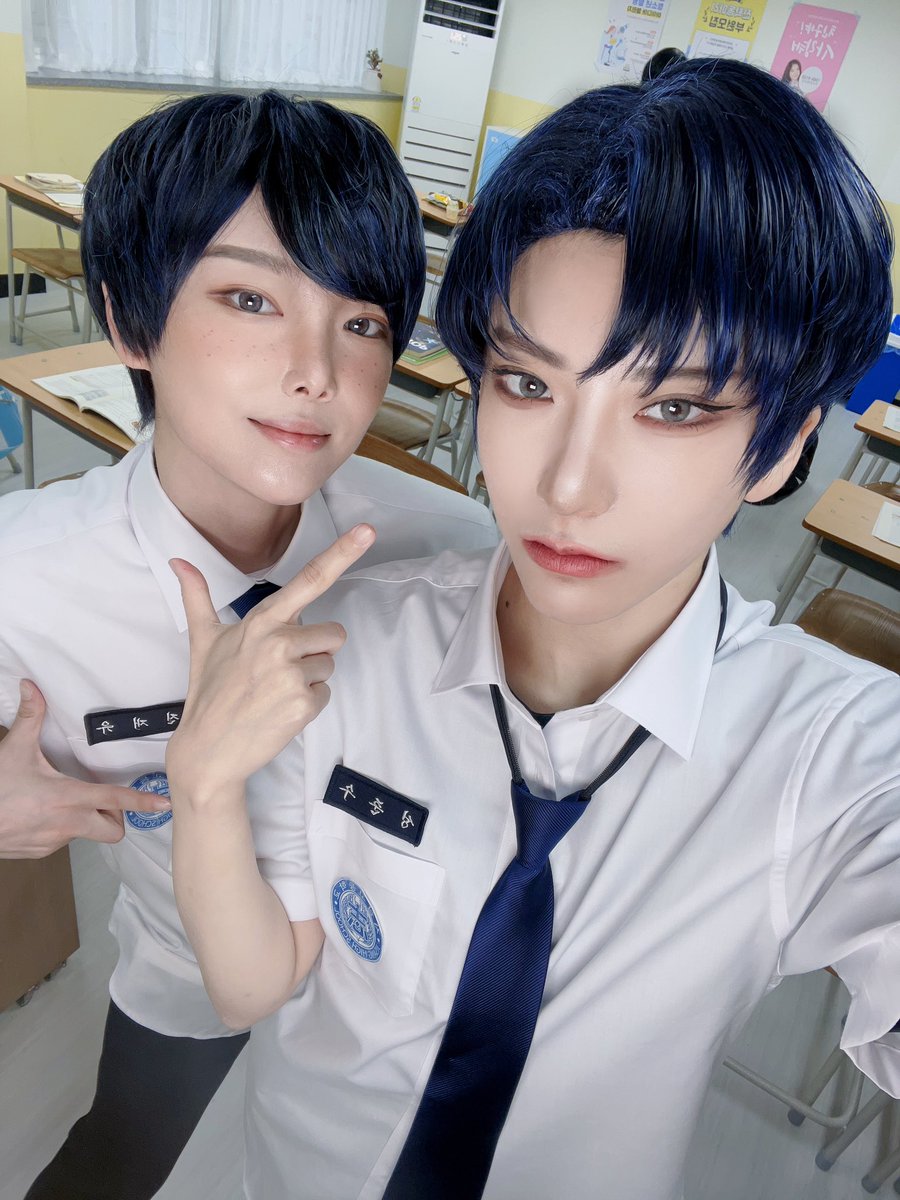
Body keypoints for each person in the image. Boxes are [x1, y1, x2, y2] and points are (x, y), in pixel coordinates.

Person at [167, 59, 899, 1200]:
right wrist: (203, 785)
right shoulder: (345, 643)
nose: (567, 486)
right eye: (526, 385)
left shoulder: (835, 758)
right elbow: (252, 984)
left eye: (674, 407)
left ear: (788, 446)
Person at [0, 91, 496, 1200]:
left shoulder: (447, 549)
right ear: (131, 319)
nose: (316, 371)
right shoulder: (23, 575)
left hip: (386, 1010)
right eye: (249, 298)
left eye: (361, 322)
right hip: (184, 983)